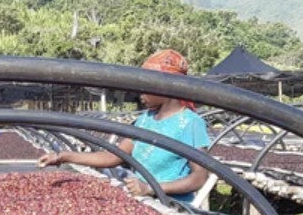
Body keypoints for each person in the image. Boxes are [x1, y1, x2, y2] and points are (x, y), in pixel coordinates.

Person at [38, 49, 210, 203]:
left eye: (147, 86)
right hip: (144, 202)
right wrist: (62, 156)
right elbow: (113, 157)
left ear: (166, 86)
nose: (140, 92)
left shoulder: (190, 123)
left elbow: (199, 177)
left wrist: (151, 188)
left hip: (174, 207)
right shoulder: (145, 119)